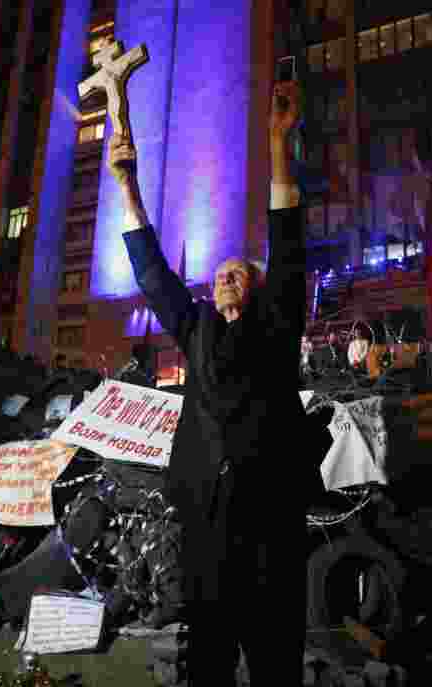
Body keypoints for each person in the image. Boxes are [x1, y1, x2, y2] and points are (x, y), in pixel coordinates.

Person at [111, 80, 309, 686]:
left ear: (256, 288)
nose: (225, 278)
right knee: (208, 658)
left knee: (275, 656)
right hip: (206, 519)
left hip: (270, 518)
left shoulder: (275, 326)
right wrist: (127, 185)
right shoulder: (194, 325)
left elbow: (288, 245)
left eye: (237, 273)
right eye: (219, 273)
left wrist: (278, 142)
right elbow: (151, 273)